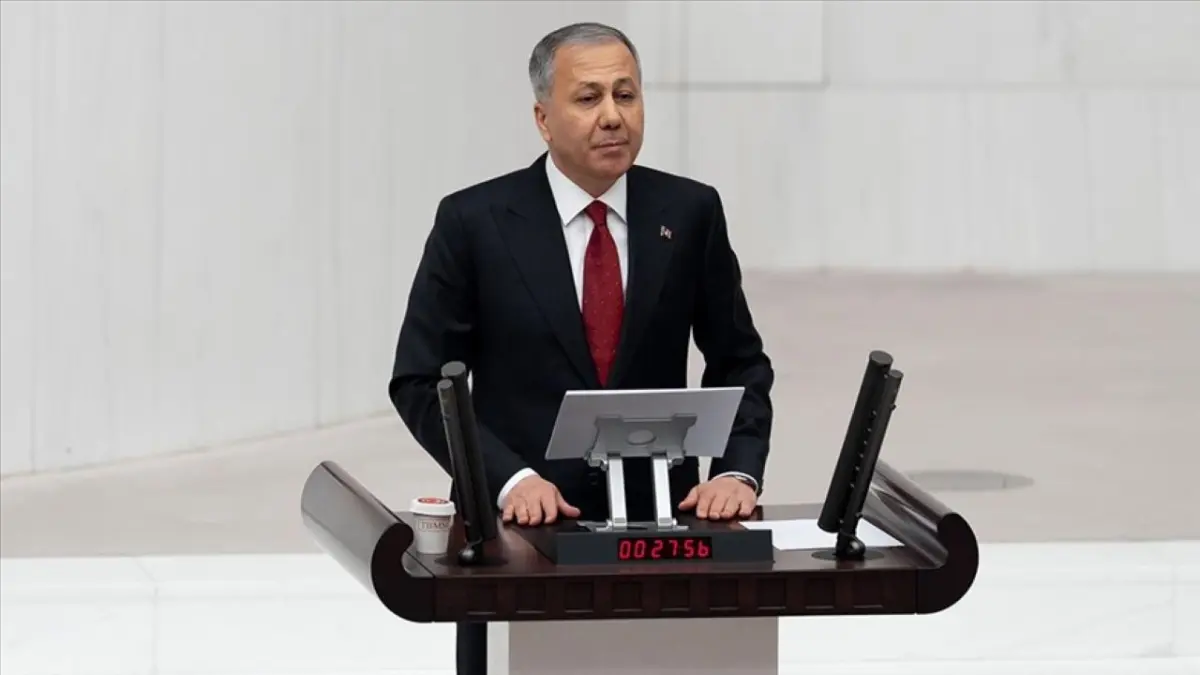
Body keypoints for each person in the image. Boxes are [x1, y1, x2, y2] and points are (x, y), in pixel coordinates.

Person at [388, 22, 774, 675]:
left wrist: (736, 472)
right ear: (543, 118)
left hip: (663, 534)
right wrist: (509, 479)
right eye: (589, 98)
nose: (612, 116)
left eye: (626, 94)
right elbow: (421, 381)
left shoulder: (689, 211)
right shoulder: (474, 222)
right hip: (519, 535)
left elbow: (740, 360)